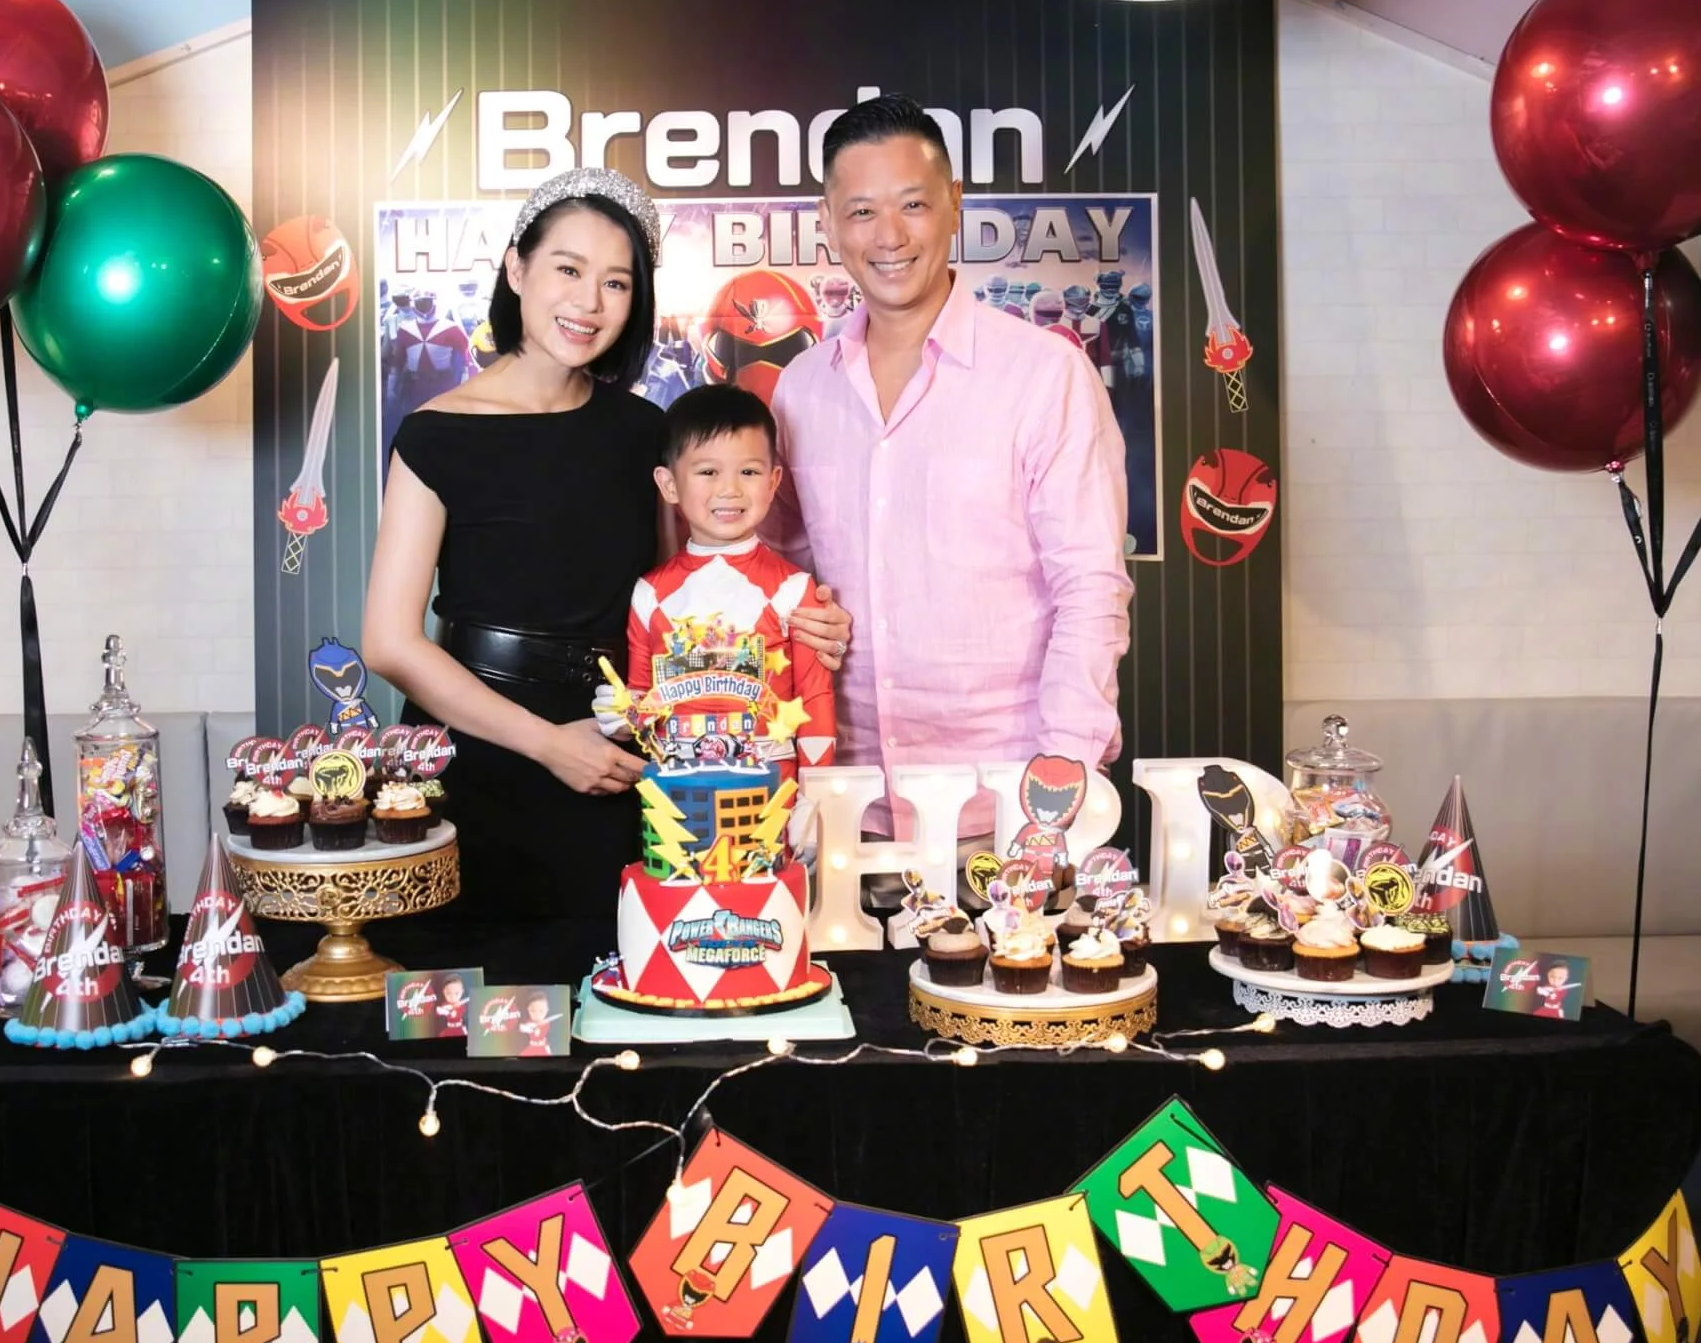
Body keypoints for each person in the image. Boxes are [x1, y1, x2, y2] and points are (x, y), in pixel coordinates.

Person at [362, 167, 849, 928]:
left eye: (616, 283)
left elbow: (691, 591)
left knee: (628, 973)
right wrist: (548, 745)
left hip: (623, 749)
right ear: (517, 269)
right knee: (468, 988)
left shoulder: (643, 432)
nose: (589, 302)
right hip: (475, 752)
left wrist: (804, 619)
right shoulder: (434, 434)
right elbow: (389, 643)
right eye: (568, 270)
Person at [768, 95, 1131, 841]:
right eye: (861, 211)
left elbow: (1091, 586)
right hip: (842, 811)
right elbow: (779, 572)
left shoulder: (1044, 374)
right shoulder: (801, 388)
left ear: (955, 204)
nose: (890, 236)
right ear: (827, 222)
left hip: (1006, 813)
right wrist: (797, 614)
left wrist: (1061, 779)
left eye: (913, 204)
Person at [615, 384, 836, 788]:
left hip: (775, 799)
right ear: (669, 484)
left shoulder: (793, 589)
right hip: (677, 799)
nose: (730, 489)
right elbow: (641, 701)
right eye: (708, 472)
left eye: (748, 472)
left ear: (773, 481)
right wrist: (617, 715)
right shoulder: (650, 594)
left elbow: (816, 699)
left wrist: (817, 797)